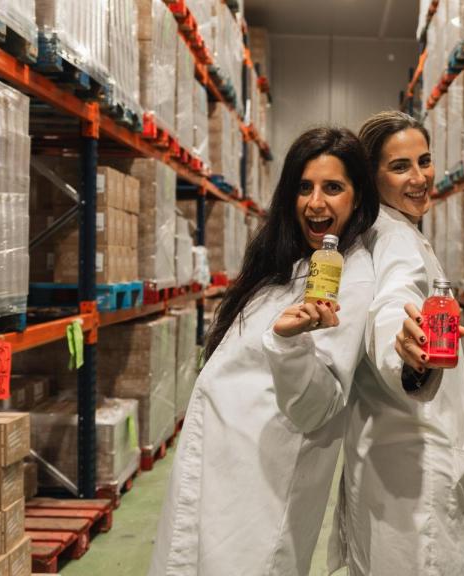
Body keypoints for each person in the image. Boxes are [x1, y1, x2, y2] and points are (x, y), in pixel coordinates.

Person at [148, 127, 379, 576]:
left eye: (333, 188)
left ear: (357, 198)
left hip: (259, 494)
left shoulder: (351, 279)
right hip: (221, 477)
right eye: (304, 187)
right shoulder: (289, 267)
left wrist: (289, 345)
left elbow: (319, 406)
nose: (315, 203)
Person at [328, 111, 464, 575]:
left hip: (392, 466)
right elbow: (393, 305)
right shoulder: (394, 239)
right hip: (412, 478)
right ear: (370, 178)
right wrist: (407, 355)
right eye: (400, 167)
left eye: (424, 161)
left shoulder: (394, 232)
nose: (419, 178)